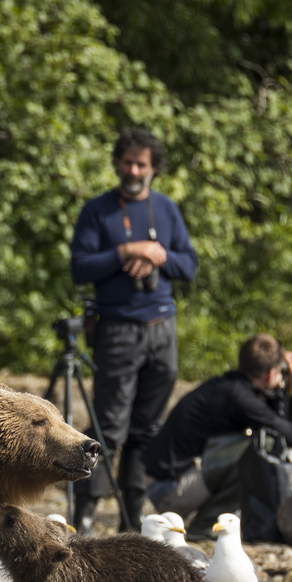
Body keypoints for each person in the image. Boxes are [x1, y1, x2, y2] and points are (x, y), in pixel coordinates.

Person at [69, 127, 197, 533]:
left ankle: (130, 517)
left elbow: (189, 266)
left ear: (154, 168)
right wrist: (126, 251)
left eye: (141, 163)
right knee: (109, 425)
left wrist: (156, 255)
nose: (134, 170)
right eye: (127, 162)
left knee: (147, 427)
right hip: (118, 328)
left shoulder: (167, 209)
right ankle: (86, 513)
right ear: (117, 164)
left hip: (162, 327)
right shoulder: (98, 210)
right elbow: (80, 268)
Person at [143, 333, 292, 538]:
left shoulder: (231, 387)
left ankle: (210, 522)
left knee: (259, 443)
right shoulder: (240, 398)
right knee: (256, 450)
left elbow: (283, 429)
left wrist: (279, 393)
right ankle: (204, 527)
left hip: (165, 483)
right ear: (269, 374)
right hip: (168, 491)